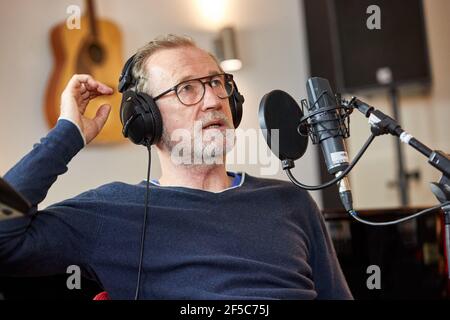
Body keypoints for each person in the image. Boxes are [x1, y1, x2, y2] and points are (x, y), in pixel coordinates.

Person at [0, 34, 352, 300]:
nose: (213, 100)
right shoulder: (110, 213)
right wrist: (67, 135)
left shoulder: (291, 202)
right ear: (145, 119)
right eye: (187, 88)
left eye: (216, 83)